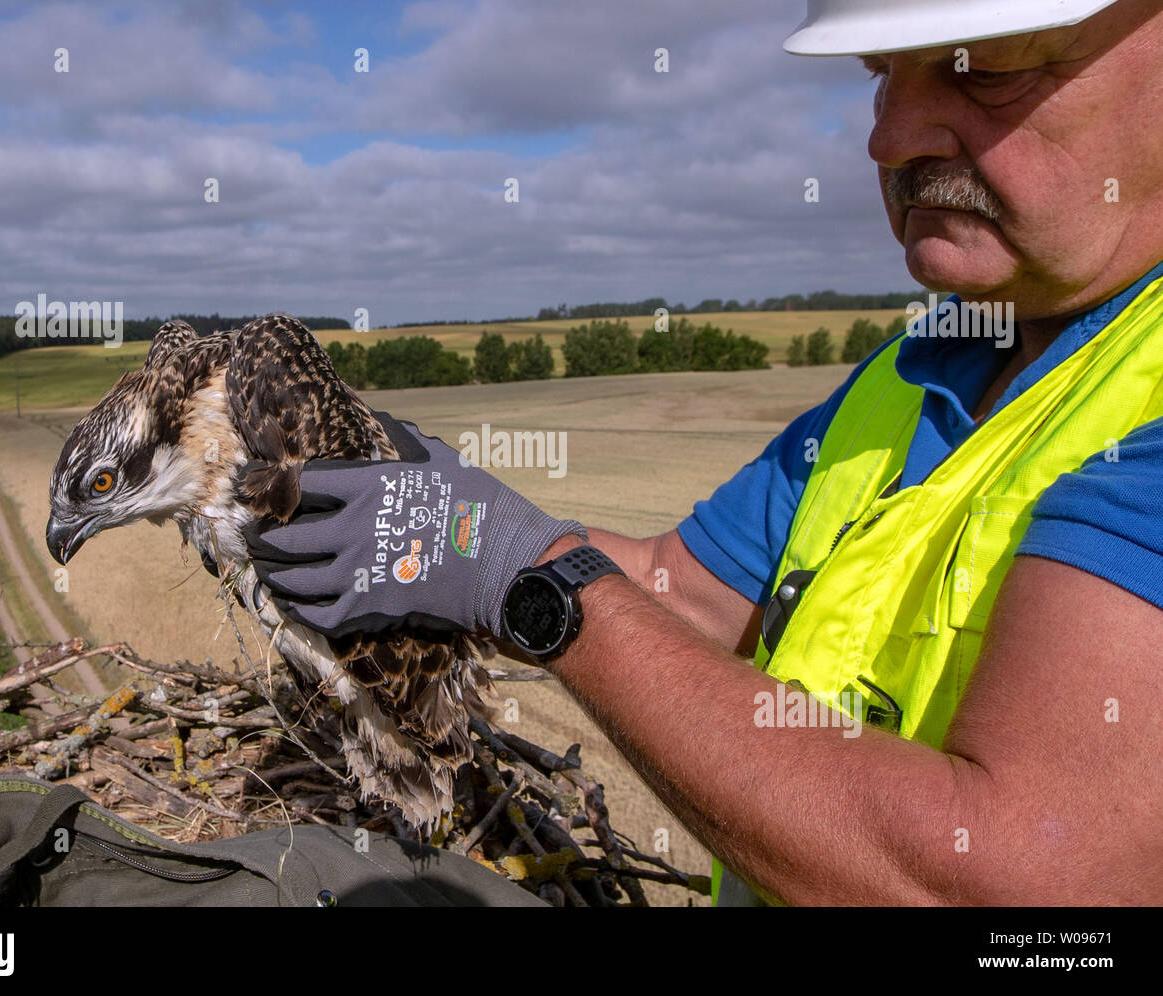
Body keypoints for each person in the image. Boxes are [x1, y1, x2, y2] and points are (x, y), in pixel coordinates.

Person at [245, 0, 1163, 905]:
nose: (888, 142)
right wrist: (432, 506)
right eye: (881, 77)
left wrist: (532, 580)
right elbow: (676, 592)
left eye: (986, 68)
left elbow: (1014, 890)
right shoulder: (918, 372)